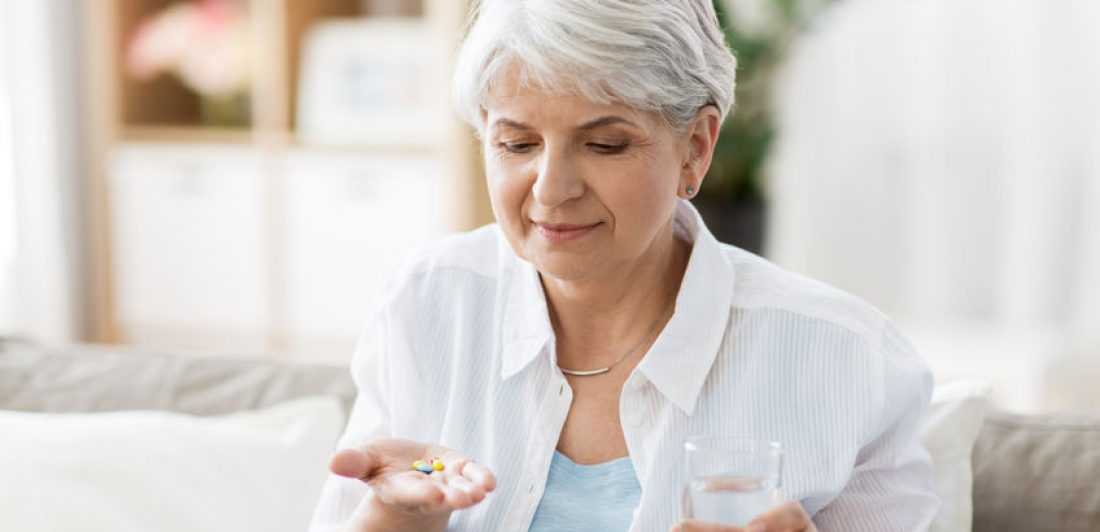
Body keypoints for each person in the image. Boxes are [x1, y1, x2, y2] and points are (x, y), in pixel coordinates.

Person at [309, 0, 939, 530]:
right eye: (516, 143)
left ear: (695, 149)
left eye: (604, 143)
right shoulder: (427, 303)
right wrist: (395, 517)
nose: (551, 190)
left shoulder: (849, 362)